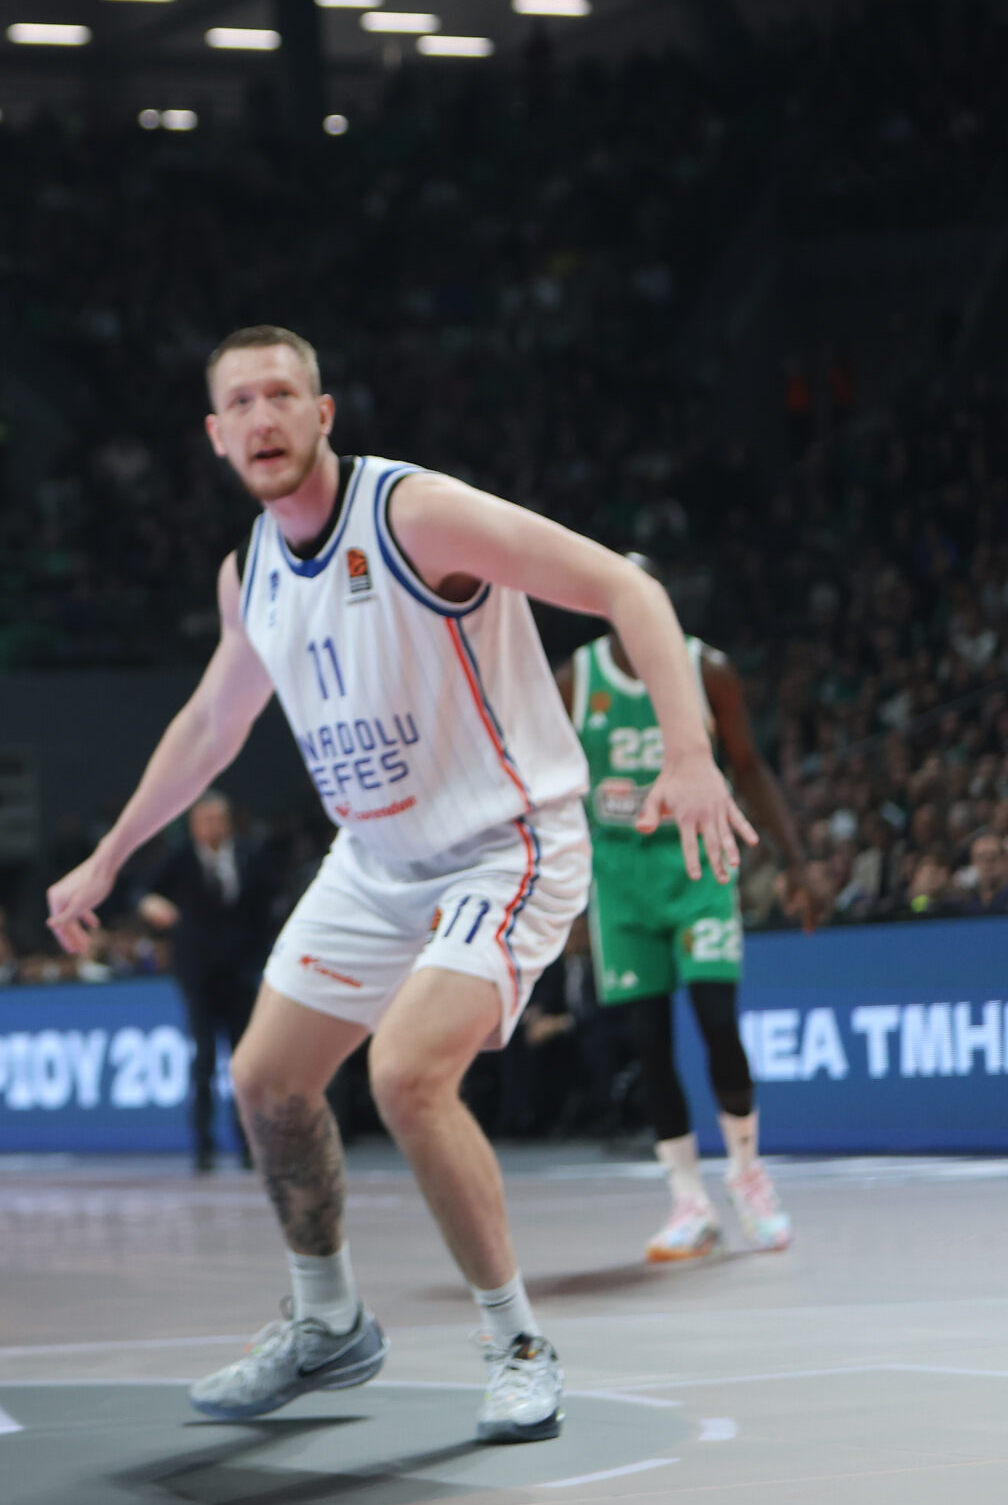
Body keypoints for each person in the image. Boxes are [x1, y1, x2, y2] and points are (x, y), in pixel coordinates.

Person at [47, 325, 754, 1445]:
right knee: (265, 1080)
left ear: (323, 413)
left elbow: (625, 587)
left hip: (505, 844)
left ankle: (517, 1343)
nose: (265, 416)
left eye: (284, 393)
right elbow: (211, 724)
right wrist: (111, 854)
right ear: (216, 435)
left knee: (408, 1074)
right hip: (375, 861)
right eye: (242, 402)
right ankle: (327, 1320)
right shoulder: (251, 570)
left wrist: (688, 750)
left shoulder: (415, 515)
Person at [558, 556, 815, 1262]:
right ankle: (688, 1200)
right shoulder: (576, 679)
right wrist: (565, 895)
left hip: (699, 868)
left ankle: (748, 1175)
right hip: (620, 883)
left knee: (717, 1022)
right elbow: (550, 789)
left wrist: (796, 863)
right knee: (648, 1042)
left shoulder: (708, 669)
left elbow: (749, 766)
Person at [134, 791, 276, 1170]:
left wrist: (260, 956)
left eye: (218, 820)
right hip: (198, 972)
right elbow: (141, 890)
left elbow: (267, 906)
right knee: (205, 1057)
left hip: (241, 971)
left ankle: (250, 1144)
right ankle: (203, 1146)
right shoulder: (180, 857)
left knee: (245, 1061)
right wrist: (151, 904)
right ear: (194, 826)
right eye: (205, 821)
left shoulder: (249, 855)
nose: (212, 828)